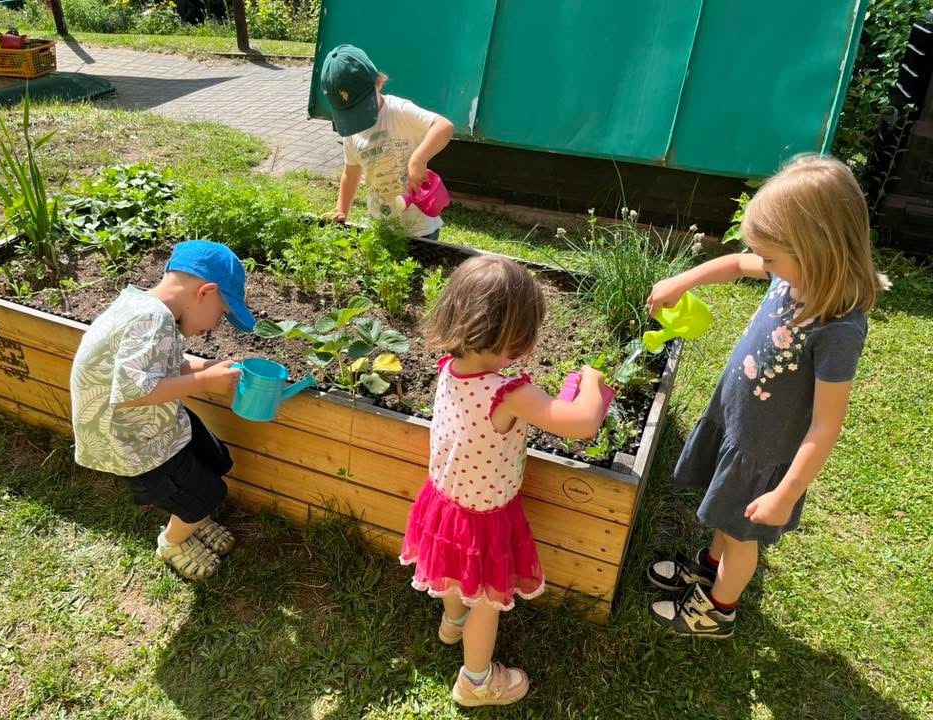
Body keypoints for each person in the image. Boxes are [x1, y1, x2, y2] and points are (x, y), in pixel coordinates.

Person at [645, 155, 887, 638]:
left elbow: (826, 425)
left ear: (817, 249)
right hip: (738, 425)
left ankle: (718, 609)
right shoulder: (793, 272)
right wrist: (682, 280)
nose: (766, 265)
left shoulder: (838, 327)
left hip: (764, 453)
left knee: (742, 536)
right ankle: (711, 565)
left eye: (772, 258)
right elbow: (737, 263)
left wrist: (785, 493)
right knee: (725, 516)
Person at [400, 255, 609, 706]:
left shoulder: (449, 369)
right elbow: (582, 422)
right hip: (485, 515)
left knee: (455, 577)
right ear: (517, 338)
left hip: (445, 501)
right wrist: (591, 380)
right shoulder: (510, 393)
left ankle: (451, 623)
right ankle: (476, 682)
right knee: (488, 601)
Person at [70, 240, 254, 579]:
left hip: (149, 423)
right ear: (205, 291)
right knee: (209, 493)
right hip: (130, 442)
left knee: (213, 458)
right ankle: (173, 542)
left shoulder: (145, 307)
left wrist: (202, 367)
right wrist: (204, 383)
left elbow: (159, 365)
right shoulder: (152, 319)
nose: (215, 325)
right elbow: (131, 391)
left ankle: (192, 518)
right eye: (223, 313)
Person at [320, 44, 454, 240]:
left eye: (362, 108)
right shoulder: (351, 131)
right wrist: (341, 210)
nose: (358, 119)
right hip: (381, 223)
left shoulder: (399, 111)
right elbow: (351, 172)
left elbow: (444, 126)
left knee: (416, 269)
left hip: (420, 226)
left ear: (379, 82)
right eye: (350, 114)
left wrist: (417, 160)